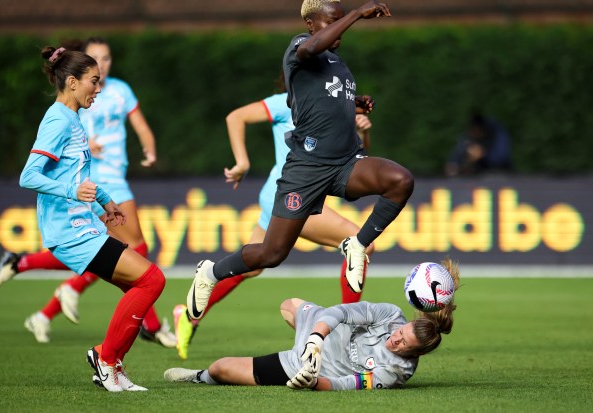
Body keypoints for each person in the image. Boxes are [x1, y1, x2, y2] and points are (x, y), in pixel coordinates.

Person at [185, 0, 414, 323]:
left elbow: (308, 101)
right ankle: (211, 271)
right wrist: (355, 14)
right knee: (271, 254)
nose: (339, 29)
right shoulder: (299, 47)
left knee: (400, 180)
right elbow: (309, 54)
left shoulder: (337, 63)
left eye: (340, 20)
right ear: (310, 24)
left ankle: (357, 246)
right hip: (306, 169)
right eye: (330, 20)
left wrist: (355, 103)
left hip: (345, 164)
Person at [0, 37, 176, 350]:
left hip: (85, 221)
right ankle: (109, 354)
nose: (98, 87)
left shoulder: (74, 117)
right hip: (72, 231)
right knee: (148, 275)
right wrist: (73, 190)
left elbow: (79, 175)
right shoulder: (59, 120)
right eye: (93, 80)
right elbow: (28, 175)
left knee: (142, 279)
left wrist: (105, 200)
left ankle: (107, 350)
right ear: (73, 82)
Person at [173, 85, 375, 359]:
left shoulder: (333, 105)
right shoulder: (286, 102)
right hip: (292, 196)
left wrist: (361, 131)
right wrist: (242, 162)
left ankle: (188, 314)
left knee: (251, 267)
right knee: (361, 242)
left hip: (283, 194)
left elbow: (357, 156)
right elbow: (235, 117)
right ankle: (345, 332)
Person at [166, 258, 459, 390]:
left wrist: (314, 381)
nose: (396, 339)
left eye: (403, 344)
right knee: (288, 305)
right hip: (320, 333)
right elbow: (343, 312)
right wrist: (316, 338)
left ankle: (197, 376)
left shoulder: (397, 371)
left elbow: (350, 383)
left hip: (306, 364)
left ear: (414, 354)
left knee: (221, 368)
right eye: (400, 333)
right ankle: (305, 335)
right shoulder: (391, 314)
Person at [444, 112, 512, 177]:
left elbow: (501, 159)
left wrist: (483, 155)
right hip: (474, 179)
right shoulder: (467, 139)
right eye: (473, 130)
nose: (474, 133)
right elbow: (452, 165)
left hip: (498, 175)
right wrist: (465, 162)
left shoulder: (497, 136)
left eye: (476, 131)